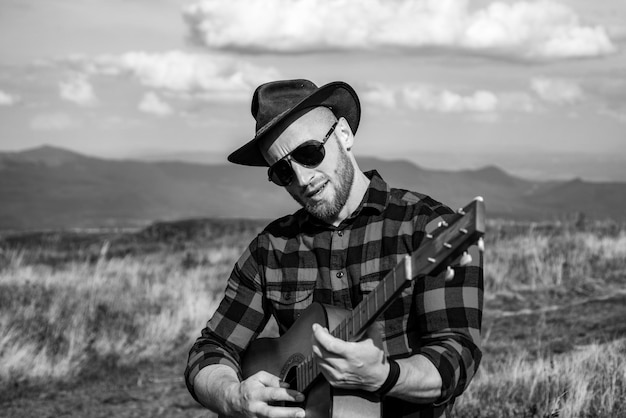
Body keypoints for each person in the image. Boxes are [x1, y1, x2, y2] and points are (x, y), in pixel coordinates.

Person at [184, 79, 483, 418]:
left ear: (343, 134)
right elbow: (211, 349)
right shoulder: (271, 249)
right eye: (282, 171)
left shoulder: (425, 227)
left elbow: (457, 356)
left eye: (308, 153)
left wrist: (386, 376)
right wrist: (232, 396)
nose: (301, 178)